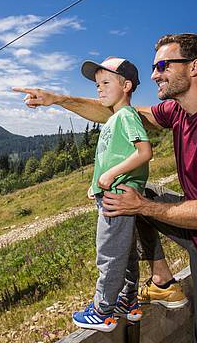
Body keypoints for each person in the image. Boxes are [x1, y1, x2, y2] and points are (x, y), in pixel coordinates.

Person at [13, 33, 197, 342]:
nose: (154, 75)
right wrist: (57, 99)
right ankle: (161, 280)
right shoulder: (179, 111)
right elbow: (118, 112)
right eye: (154, 67)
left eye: (163, 66)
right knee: (138, 191)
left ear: (194, 67)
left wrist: (142, 206)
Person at [74, 56, 153, 332]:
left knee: (109, 253)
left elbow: (144, 152)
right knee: (125, 251)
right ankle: (128, 301)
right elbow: (110, 157)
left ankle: (102, 311)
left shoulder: (127, 115)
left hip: (116, 197)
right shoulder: (115, 118)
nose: (99, 88)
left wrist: (109, 177)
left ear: (127, 86)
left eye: (106, 82)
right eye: (97, 84)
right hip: (111, 192)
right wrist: (95, 183)